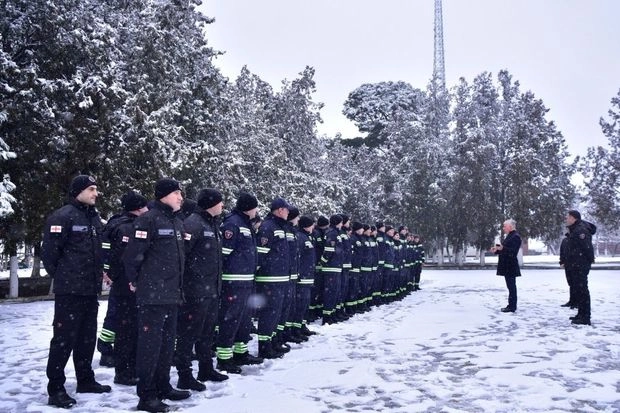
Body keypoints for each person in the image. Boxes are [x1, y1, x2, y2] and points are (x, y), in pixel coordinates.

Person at [42, 175, 111, 408]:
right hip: (70, 292)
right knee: (63, 341)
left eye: (96, 189)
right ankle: (56, 389)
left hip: (90, 291)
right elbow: (50, 255)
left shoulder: (93, 219)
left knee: (86, 339)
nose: (96, 193)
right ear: (78, 191)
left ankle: (85, 380)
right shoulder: (62, 217)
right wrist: (66, 278)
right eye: (91, 189)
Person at [123, 178, 190, 413]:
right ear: (164, 195)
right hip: (152, 296)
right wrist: (135, 281)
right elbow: (132, 256)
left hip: (172, 294)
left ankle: (163, 386)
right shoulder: (147, 220)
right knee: (150, 347)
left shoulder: (177, 222)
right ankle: (147, 395)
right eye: (176, 193)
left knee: (166, 345)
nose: (181, 197)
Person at [174, 189, 226, 391]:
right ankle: (184, 375)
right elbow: (182, 257)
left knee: (207, 333)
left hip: (211, 289)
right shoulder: (193, 224)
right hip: (195, 291)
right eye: (220, 202)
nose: (222, 206)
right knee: (189, 335)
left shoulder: (213, 224)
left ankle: (206, 368)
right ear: (211, 203)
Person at [101, 191, 148, 386]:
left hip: (121, 284)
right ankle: (125, 372)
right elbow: (127, 258)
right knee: (128, 330)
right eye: (145, 207)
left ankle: (127, 368)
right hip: (128, 285)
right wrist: (130, 279)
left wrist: (109, 273)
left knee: (124, 327)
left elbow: (109, 255)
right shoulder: (129, 228)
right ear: (138, 209)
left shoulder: (115, 223)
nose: (148, 211)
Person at [216, 192, 263, 373]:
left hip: (246, 280)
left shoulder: (245, 224)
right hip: (233, 281)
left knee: (244, 319)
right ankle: (224, 358)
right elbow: (224, 254)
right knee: (231, 318)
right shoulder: (232, 223)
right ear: (248, 208)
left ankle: (240, 352)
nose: (257, 210)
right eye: (255, 207)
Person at [255, 198, 291, 358]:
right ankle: (264, 346)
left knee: (277, 312)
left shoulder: (280, 227)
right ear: (279, 210)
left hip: (280, 277)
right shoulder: (268, 227)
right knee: (269, 313)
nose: (288, 212)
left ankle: (273, 341)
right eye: (286, 209)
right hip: (270, 279)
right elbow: (261, 254)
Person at [564, 210, 596, 325]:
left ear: (573, 218)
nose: (566, 219)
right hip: (576, 264)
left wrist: (586, 262)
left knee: (583, 291)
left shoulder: (580, 230)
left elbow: (586, 248)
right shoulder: (576, 229)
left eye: (568, 217)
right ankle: (580, 314)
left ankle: (585, 317)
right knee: (579, 290)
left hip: (580, 265)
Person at [491, 219, 522, 313]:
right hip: (507, 266)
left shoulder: (515, 237)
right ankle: (511, 305)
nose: (503, 228)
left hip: (510, 266)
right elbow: (505, 250)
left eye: (505, 226)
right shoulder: (510, 236)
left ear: (510, 226)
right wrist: (496, 250)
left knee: (512, 287)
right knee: (510, 287)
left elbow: (513, 252)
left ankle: (512, 306)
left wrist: (502, 248)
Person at [558, 232, 576, 308]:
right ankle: (572, 301)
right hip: (567, 265)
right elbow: (562, 252)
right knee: (571, 284)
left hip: (575, 265)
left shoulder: (575, 239)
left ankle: (577, 302)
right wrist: (561, 262)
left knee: (576, 284)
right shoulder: (565, 240)